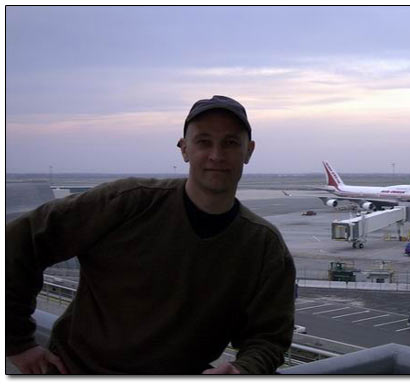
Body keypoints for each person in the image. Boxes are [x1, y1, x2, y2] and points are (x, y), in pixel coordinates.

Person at [6, 95, 296, 375]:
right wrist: (16, 341)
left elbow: (269, 338)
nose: (216, 155)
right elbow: (20, 242)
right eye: (203, 141)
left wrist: (245, 369)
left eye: (230, 143)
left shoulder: (263, 246)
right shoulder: (127, 203)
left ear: (249, 150)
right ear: (184, 149)